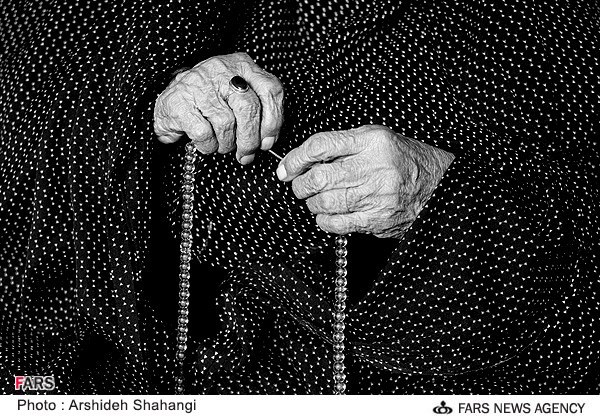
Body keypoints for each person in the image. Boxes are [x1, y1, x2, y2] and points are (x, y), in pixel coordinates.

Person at [1, 0, 598, 394]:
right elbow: (52, 96)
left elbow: (576, 291)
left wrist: (442, 194)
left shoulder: (550, 30)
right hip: (157, 366)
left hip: (417, 379)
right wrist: (163, 102)